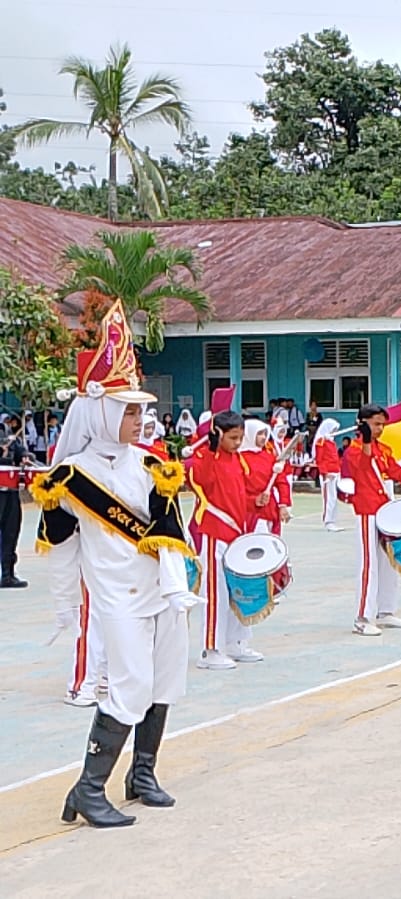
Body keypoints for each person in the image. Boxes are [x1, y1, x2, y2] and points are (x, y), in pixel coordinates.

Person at [35, 302, 199, 827]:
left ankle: (142, 773)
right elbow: (61, 551)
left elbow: (172, 535)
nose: (139, 419)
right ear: (101, 410)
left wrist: (177, 590)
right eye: (128, 410)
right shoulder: (68, 478)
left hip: (164, 593)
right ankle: (88, 790)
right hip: (117, 597)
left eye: (138, 411)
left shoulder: (155, 466)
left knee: (166, 682)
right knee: (128, 687)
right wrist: (65, 610)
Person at [187, 411, 266, 669]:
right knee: (215, 593)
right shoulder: (202, 457)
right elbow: (200, 480)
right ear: (218, 434)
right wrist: (210, 448)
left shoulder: (238, 460)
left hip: (236, 533)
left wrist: (255, 503)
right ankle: (211, 649)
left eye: (241, 437)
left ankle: (235, 642)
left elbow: (238, 496)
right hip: (213, 532)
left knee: (236, 589)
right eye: (233, 437)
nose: (238, 442)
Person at [344, 404, 401, 636]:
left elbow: (397, 474)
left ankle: (386, 611)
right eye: (375, 424)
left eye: (383, 424)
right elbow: (360, 468)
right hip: (366, 511)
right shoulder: (353, 449)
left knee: (388, 563)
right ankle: (362, 617)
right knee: (368, 565)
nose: (380, 428)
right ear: (362, 423)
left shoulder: (384, 449)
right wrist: (364, 444)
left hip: (385, 512)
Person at [1, 417, 30, 588]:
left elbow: (20, 450)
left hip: (10, 491)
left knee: (11, 531)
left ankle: (7, 573)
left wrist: (25, 456)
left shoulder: (6, 431)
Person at [312, 418, 344, 531]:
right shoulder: (321, 441)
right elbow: (319, 459)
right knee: (329, 498)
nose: (334, 432)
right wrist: (325, 473)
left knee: (334, 498)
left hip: (335, 472)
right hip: (328, 474)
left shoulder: (331, 441)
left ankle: (333, 520)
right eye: (332, 429)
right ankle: (328, 521)